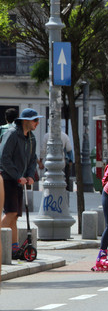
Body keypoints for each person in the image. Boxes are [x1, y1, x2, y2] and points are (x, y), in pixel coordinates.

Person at [0, 108, 41, 259]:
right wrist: (18, 176)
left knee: (15, 216)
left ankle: (14, 249)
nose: (37, 123)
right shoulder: (12, 134)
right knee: (10, 213)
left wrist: (30, 175)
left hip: (19, 180)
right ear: (25, 121)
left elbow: (32, 160)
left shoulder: (31, 138)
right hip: (8, 178)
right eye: (35, 120)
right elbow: (4, 158)